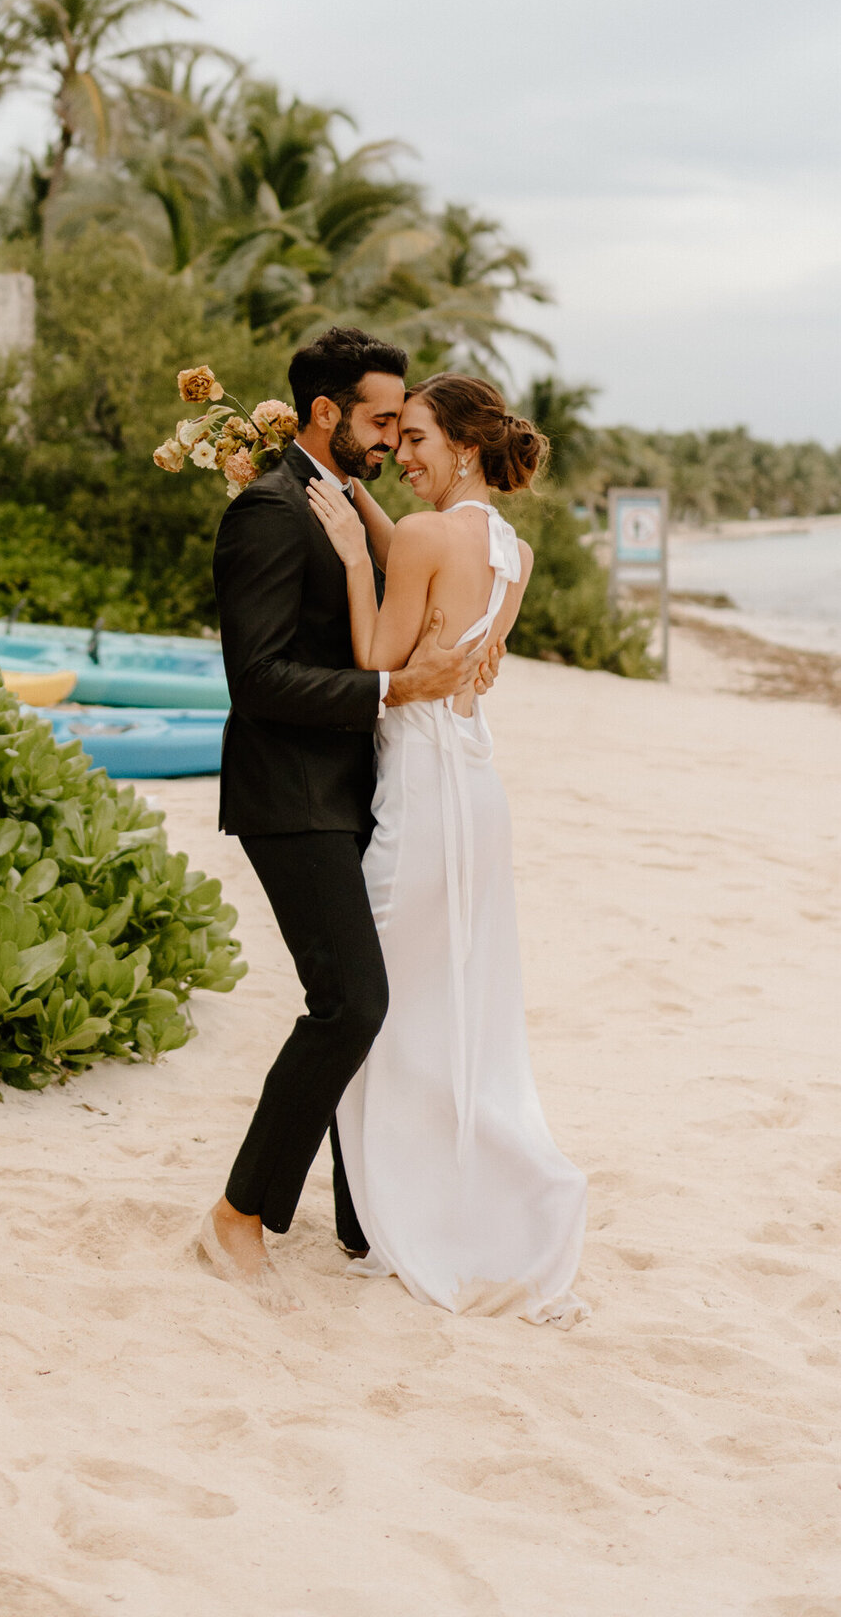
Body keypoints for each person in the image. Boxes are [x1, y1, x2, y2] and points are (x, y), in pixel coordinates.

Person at [200, 327, 493, 1307]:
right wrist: (392, 691)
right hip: (289, 800)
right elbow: (258, 679)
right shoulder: (266, 512)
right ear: (325, 413)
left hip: (364, 795)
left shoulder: (349, 508)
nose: (388, 439)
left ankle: (365, 1218)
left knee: (382, 1007)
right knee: (351, 1006)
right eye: (376, 420)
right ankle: (238, 1214)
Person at [305, 372, 588, 1324]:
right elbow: (440, 589)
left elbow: (379, 662)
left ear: (464, 444)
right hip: (478, 785)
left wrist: (353, 550)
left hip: (423, 790)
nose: (404, 457)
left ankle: (406, 1207)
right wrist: (376, 521)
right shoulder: (515, 551)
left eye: (419, 438)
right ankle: (451, 1189)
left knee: (386, 998)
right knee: (458, 998)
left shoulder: (418, 536)